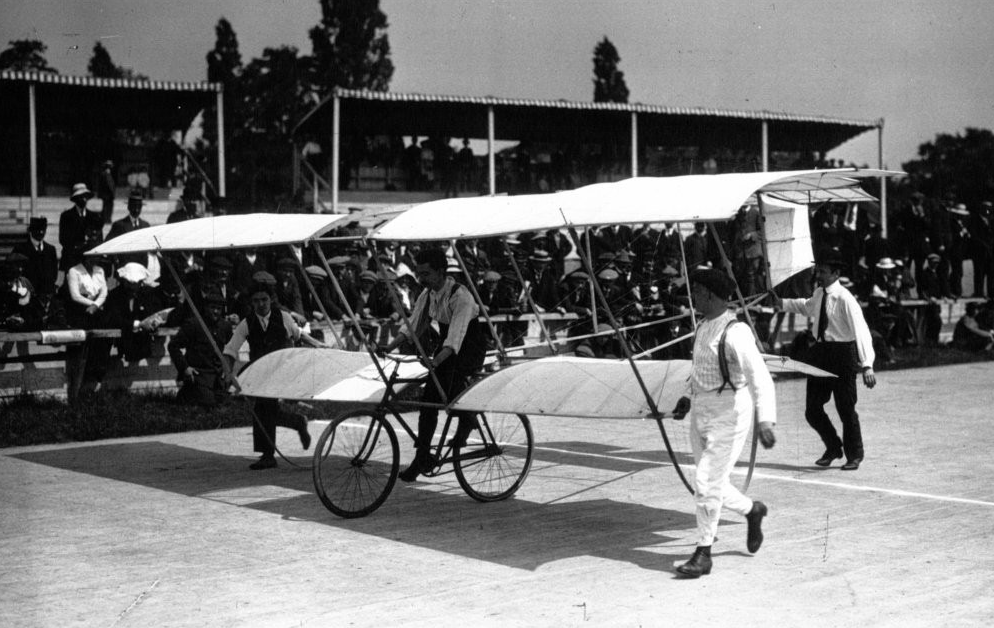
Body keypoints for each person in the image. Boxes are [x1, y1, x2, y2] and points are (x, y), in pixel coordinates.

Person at [671, 268, 776, 578]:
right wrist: (686, 398)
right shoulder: (703, 327)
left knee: (705, 482)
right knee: (712, 483)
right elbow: (700, 369)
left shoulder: (736, 332)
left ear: (712, 296)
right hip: (701, 411)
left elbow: (760, 378)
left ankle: (704, 553)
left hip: (729, 412)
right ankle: (752, 510)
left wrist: (766, 421)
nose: (693, 299)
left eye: (697, 293)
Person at [378, 247, 488, 482]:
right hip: (448, 345)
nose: (421, 278)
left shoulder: (461, 296)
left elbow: (456, 337)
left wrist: (435, 361)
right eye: (419, 273)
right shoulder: (427, 295)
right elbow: (413, 325)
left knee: (448, 384)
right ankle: (422, 456)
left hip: (469, 345)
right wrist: (389, 346)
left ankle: (468, 418)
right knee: (429, 400)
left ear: (440, 272)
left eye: (426, 274)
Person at [771, 250, 876, 471]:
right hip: (821, 354)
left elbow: (862, 331)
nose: (819, 274)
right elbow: (806, 306)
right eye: (818, 270)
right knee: (812, 410)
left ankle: (854, 455)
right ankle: (833, 447)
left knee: (845, 408)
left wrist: (867, 364)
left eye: (824, 271)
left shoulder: (846, 299)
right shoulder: (819, 293)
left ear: (836, 273)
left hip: (842, 355)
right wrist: (782, 303)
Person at [222, 272, 326, 470]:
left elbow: (299, 335)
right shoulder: (247, 323)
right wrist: (229, 372)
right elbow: (231, 349)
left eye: (264, 299)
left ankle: (268, 455)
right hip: (260, 370)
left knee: (264, 409)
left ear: (271, 299)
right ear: (251, 303)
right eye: (256, 301)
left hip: (282, 370)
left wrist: (317, 344)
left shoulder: (283, 317)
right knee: (264, 409)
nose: (261, 304)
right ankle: (296, 423)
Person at [169, 289, 234, 406]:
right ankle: (187, 392)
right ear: (205, 308)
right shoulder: (193, 324)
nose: (215, 311)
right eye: (212, 307)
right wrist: (185, 368)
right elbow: (173, 346)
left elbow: (231, 349)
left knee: (225, 403)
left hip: (217, 376)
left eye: (218, 309)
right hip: (198, 374)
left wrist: (228, 370)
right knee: (208, 404)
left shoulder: (225, 326)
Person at [59, 183, 102, 272]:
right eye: (81, 196)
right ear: (75, 199)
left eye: (85, 196)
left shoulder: (94, 217)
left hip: (89, 260)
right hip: (72, 260)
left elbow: (99, 238)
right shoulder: (66, 216)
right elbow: (63, 239)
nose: (84, 199)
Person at [12, 216, 59, 297]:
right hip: (27, 295)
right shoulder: (20, 249)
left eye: (43, 230)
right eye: (37, 230)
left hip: (46, 294)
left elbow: (54, 273)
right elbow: (16, 275)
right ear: (31, 231)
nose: (41, 232)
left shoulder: (51, 250)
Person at [98, 160, 116, 225]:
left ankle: (106, 219)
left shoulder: (106, 174)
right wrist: (112, 193)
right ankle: (107, 219)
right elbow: (109, 185)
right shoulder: (106, 174)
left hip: (106, 195)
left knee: (106, 207)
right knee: (107, 208)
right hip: (108, 195)